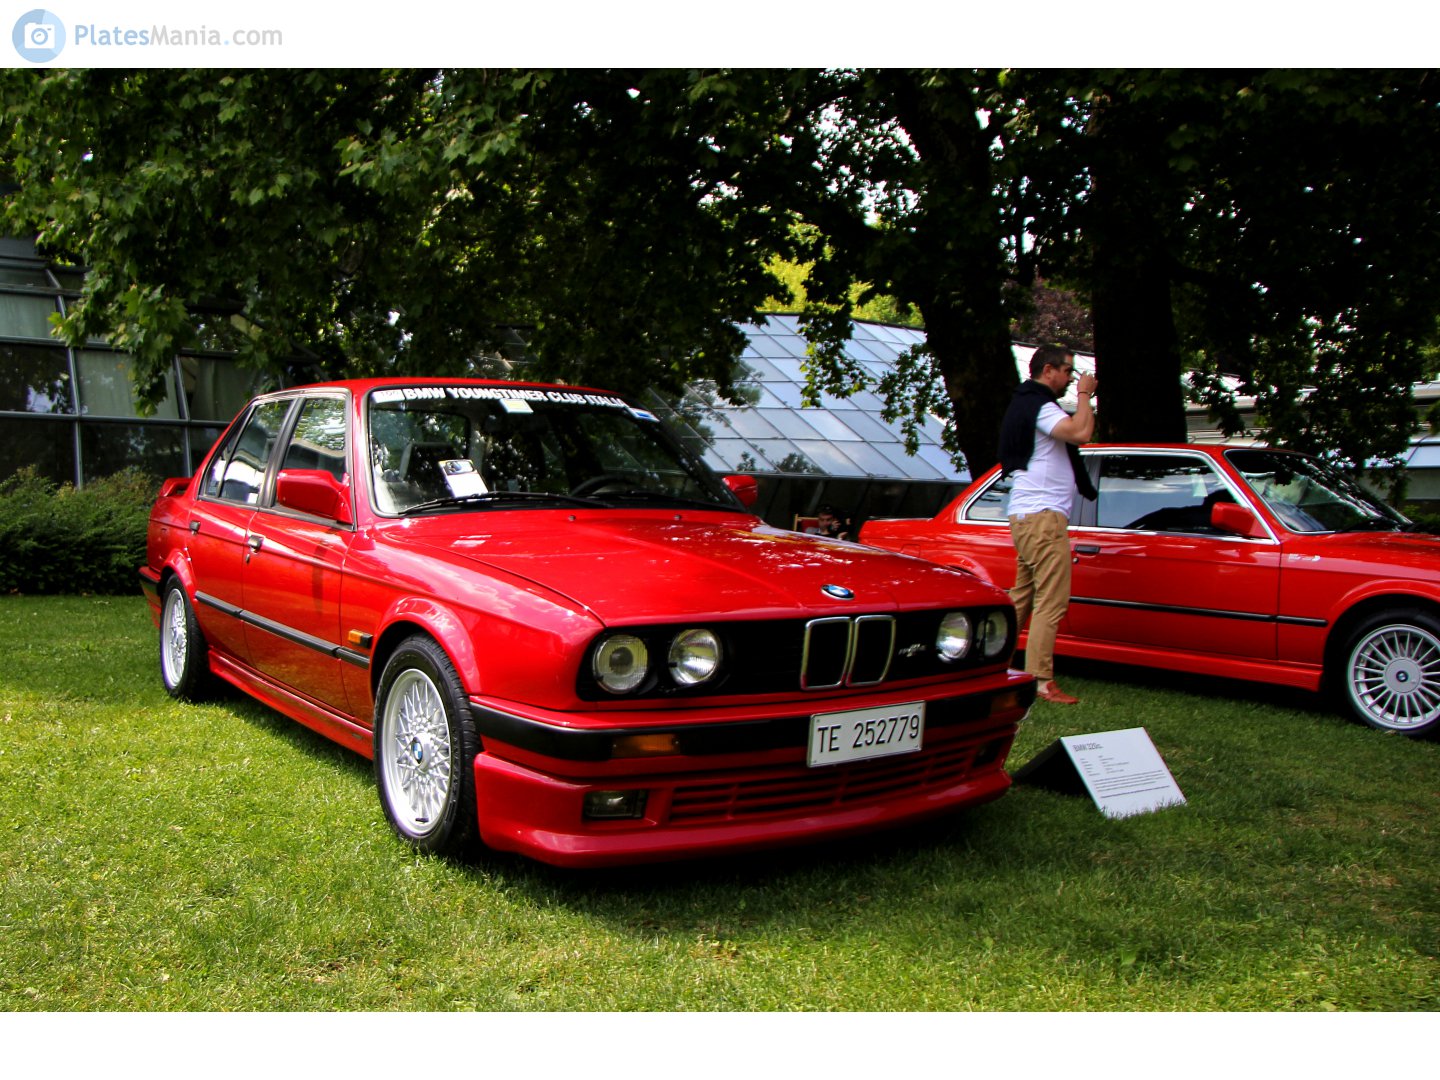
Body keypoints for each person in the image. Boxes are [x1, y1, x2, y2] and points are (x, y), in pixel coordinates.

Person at [997, 344, 1098, 705]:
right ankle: (1040, 679)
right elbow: (1080, 433)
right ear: (1048, 370)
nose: (1072, 378)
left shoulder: (1029, 402)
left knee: (1022, 597)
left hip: (1031, 515)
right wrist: (1085, 394)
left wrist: (1084, 400)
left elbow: (1082, 428)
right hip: (1042, 516)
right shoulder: (1039, 404)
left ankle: (995, 664)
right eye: (1068, 370)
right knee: (1052, 600)